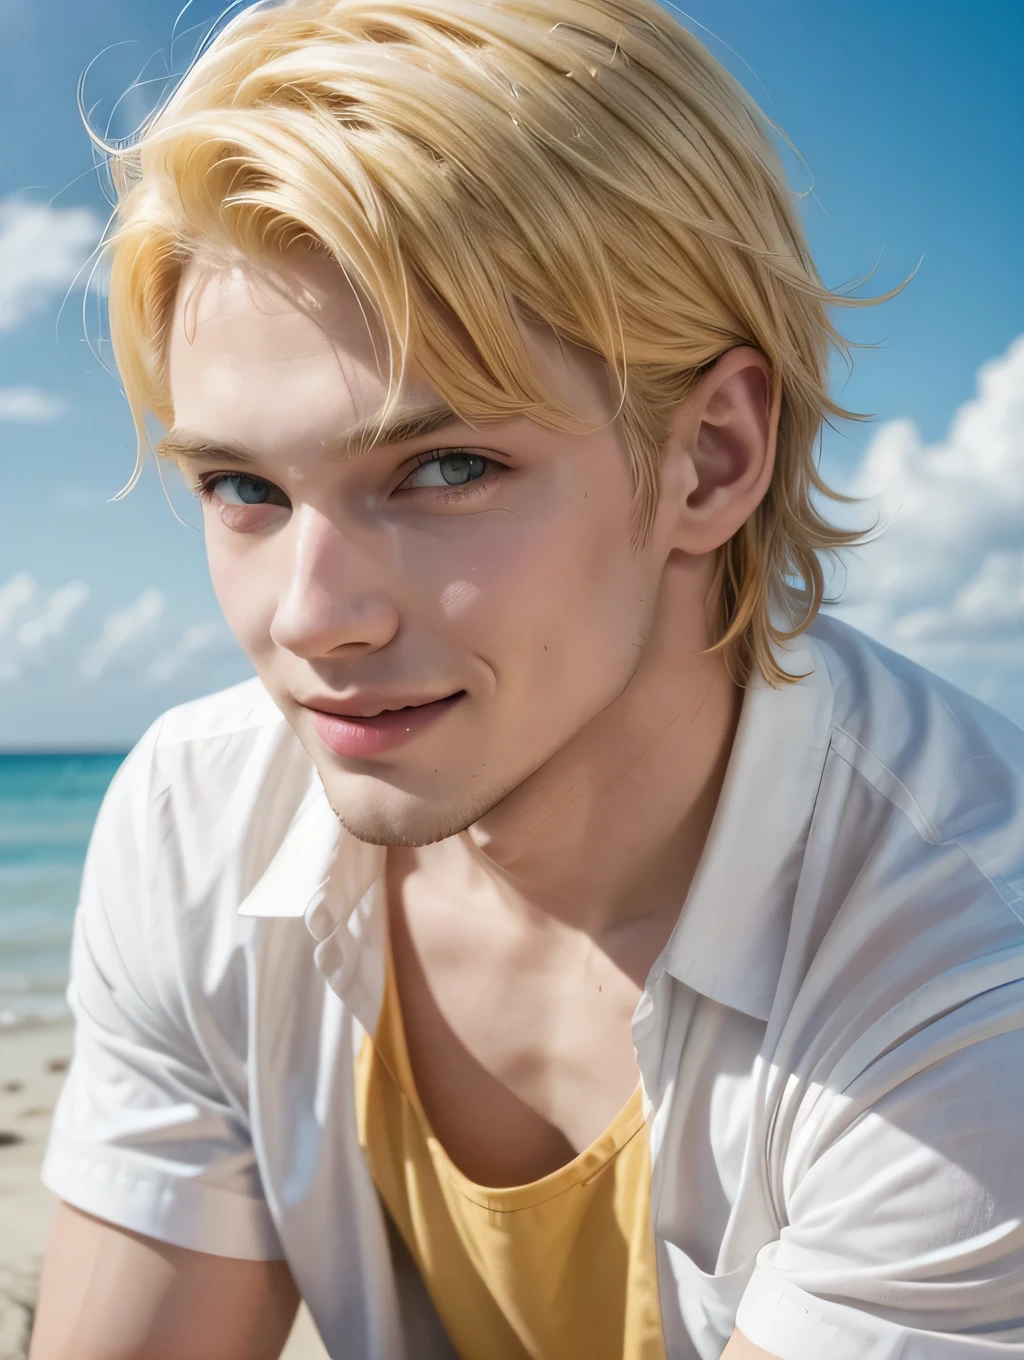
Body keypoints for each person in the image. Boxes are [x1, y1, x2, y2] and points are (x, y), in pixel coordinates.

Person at [28, 0, 1024, 1356]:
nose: (311, 620)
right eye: (242, 486)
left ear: (713, 460)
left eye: (443, 471)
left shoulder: (964, 970)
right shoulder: (200, 827)